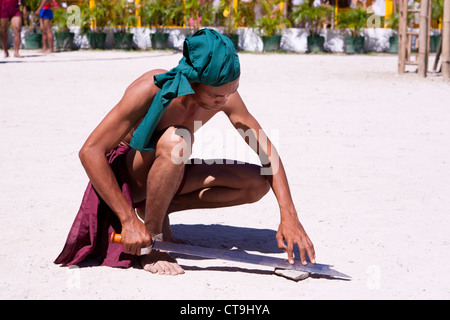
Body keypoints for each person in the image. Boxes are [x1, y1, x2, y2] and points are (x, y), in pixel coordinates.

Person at [55, 29, 316, 275]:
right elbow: (90, 151)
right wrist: (127, 219)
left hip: (167, 171)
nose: (224, 102)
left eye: (231, 92)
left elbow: (265, 149)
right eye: (216, 96)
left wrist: (289, 214)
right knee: (177, 141)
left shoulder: (223, 92)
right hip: (129, 177)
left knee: (256, 183)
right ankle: (153, 242)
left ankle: (156, 210)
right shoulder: (151, 87)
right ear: (194, 82)